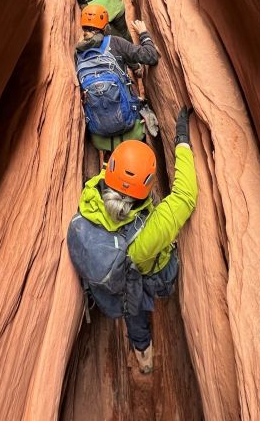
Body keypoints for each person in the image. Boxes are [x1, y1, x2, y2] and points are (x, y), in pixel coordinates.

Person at [67, 108, 198, 374]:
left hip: (110, 275)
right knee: (148, 289)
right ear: (146, 187)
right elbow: (185, 196)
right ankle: (148, 335)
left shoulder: (91, 192)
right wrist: (182, 140)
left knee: (132, 311)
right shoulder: (150, 232)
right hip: (138, 274)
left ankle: (143, 354)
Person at [75, 4, 159, 153]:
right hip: (131, 129)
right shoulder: (114, 42)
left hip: (100, 136)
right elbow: (151, 56)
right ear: (106, 27)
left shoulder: (78, 55)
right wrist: (143, 33)